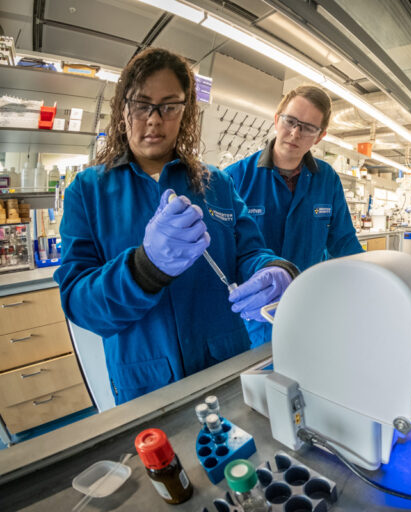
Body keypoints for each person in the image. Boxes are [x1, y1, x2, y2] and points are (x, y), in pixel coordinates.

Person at [55, 48, 298, 405]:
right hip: (146, 382)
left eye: (169, 106)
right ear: (123, 109)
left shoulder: (216, 183)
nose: (154, 120)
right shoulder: (88, 191)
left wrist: (275, 271)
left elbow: (250, 252)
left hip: (225, 366)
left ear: (185, 113)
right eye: (141, 104)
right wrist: (146, 267)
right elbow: (79, 304)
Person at [225, 85, 363, 347]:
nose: (296, 133)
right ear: (277, 120)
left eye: (309, 128)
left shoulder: (327, 180)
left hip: (308, 308)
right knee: (259, 384)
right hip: (254, 317)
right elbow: (224, 252)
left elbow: (344, 243)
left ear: (319, 137)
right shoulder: (235, 177)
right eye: (290, 121)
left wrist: (370, 280)